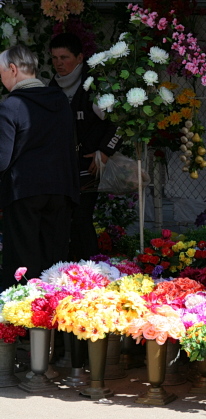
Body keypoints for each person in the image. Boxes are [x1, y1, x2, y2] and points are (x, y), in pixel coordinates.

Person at [0, 44, 80, 290]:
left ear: (13, 69)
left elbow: (2, 159)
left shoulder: (11, 105)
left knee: (22, 264)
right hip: (61, 189)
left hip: (24, 192)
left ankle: (23, 312)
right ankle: (54, 310)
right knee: (53, 262)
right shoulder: (60, 100)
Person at [49, 33, 120, 261]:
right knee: (63, 219)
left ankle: (93, 266)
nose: (59, 63)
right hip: (61, 167)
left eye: (64, 57)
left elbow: (119, 123)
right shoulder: (52, 87)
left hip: (89, 165)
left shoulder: (95, 86)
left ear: (79, 58)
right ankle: (68, 268)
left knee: (81, 218)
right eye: (54, 58)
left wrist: (104, 152)